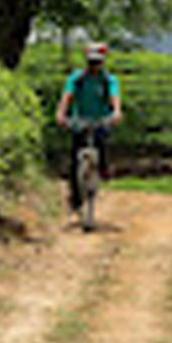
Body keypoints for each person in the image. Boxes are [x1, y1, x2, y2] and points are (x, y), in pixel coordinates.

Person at [55, 43, 123, 219]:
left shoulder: (108, 80)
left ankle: (102, 171)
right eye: (91, 63)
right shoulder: (76, 78)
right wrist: (61, 114)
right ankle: (75, 200)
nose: (94, 66)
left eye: (97, 63)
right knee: (74, 159)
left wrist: (116, 112)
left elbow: (114, 98)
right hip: (80, 121)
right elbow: (66, 97)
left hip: (100, 120)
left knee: (101, 147)